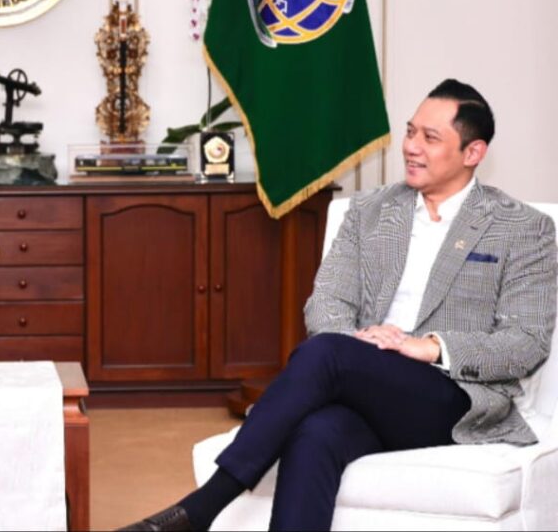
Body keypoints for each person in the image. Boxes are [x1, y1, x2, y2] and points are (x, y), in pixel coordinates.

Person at [120, 79, 557, 531]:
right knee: (316, 433)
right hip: (364, 376)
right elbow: (327, 304)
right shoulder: (369, 210)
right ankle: (200, 514)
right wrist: (362, 342)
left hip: (453, 398)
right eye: (410, 132)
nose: (411, 147)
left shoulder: (523, 228)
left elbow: (525, 342)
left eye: (430, 138)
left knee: (327, 353)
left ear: (473, 152)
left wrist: (429, 347)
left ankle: (201, 508)